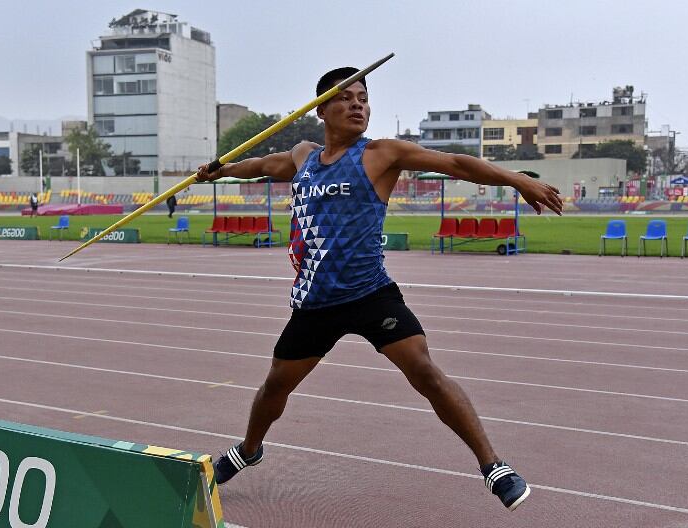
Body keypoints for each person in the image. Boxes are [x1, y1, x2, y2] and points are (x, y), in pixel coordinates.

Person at [196, 67, 563, 511]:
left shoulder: (380, 154)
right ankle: (249, 450)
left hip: (371, 294)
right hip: (315, 302)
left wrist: (517, 179)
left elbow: (456, 164)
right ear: (321, 109)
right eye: (345, 97)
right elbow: (261, 166)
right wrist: (219, 171)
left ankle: (493, 466)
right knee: (275, 388)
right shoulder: (303, 157)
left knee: (425, 372)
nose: (358, 104)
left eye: (363, 97)